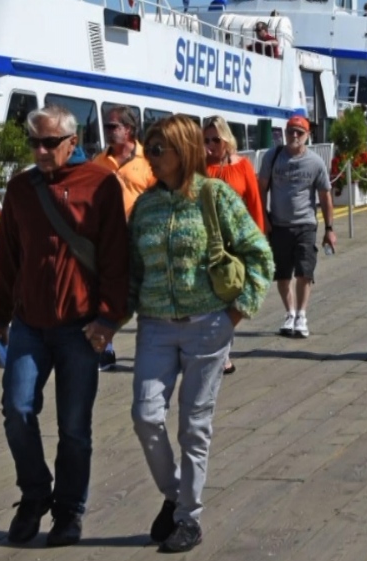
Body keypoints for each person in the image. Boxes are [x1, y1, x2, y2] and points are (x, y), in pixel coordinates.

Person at [0, 105, 131, 546]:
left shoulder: (101, 184)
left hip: (81, 327)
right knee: (17, 410)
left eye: (50, 142)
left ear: (72, 142)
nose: (41, 150)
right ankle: (35, 495)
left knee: (74, 427)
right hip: (29, 323)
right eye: (34, 142)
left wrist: (108, 319)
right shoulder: (19, 189)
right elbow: (8, 254)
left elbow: (115, 257)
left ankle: (69, 510)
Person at [128, 118, 272, 553]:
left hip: (209, 326)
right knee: (146, 416)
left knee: (194, 424)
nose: (150, 157)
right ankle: (174, 496)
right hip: (154, 325)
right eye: (148, 148)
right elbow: (133, 270)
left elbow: (259, 255)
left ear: (184, 151)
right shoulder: (145, 207)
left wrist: (234, 315)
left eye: (159, 149)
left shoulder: (215, 196)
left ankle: (189, 518)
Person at [91, 105, 157, 371]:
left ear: (128, 129)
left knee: (144, 294)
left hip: (141, 240)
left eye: (112, 127)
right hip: (107, 240)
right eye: (106, 127)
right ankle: (105, 349)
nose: (107, 132)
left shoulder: (149, 161)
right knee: (106, 294)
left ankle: (151, 351)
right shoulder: (98, 161)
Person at [259, 115, 335, 339]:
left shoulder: (315, 162)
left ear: (307, 136)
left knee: (304, 271)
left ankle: (302, 315)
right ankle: (289, 313)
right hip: (279, 225)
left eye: (299, 132)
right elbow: (261, 188)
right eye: (291, 131)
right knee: (282, 274)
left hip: (305, 225)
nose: (294, 136)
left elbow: (325, 195)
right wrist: (263, 217)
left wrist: (329, 229)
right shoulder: (272, 157)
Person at [204, 116, 265, 374]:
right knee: (212, 299)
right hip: (208, 241)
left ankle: (221, 349)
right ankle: (220, 355)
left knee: (235, 296)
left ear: (226, 138)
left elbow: (255, 205)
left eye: (215, 139)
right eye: (205, 140)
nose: (210, 145)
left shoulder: (242, 166)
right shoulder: (200, 167)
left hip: (237, 242)